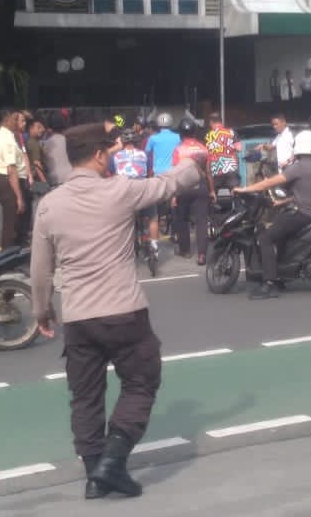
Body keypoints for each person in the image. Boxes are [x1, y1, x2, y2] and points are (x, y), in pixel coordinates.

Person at [30, 123, 206, 500]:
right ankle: (112, 461)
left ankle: (95, 476)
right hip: (124, 311)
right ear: (98, 155)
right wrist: (194, 163)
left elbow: (40, 268)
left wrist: (41, 310)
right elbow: (168, 183)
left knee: (85, 396)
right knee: (141, 381)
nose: (111, 156)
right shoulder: (120, 190)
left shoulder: (49, 205)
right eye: (108, 151)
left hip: (78, 318)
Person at [234, 130, 311, 300]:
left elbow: (271, 182)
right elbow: (306, 193)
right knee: (280, 236)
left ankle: (270, 283)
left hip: (299, 214)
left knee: (265, 238)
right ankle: (281, 275)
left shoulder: (299, 167)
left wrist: (245, 189)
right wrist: (282, 202)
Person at [171, 119, 214, 264]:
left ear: (181, 133)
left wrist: (174, 195)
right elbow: (208, 172)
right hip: (201, 186)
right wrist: (212, 190)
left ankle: (185, 250)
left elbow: (175, 174)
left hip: (184, 187)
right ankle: (202, 255)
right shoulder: (203, 148)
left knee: (182, 219)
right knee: (202, 221)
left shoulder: (178, 150)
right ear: (195, 132)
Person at [112, 129, 160, 257]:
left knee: (124, 220)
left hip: (124, 191)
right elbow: (150, 172)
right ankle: (154, 247)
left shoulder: (115, 156)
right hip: (142, 189)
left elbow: (111, 175)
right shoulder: (144, 155)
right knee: (153, 217)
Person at [0, 109, 28, 248]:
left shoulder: (1, 136)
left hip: (4, 180)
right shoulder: (7, 139)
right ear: (7, 120)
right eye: (14, 119)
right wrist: (19, 197)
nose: (17, 122)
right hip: (8, 182)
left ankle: (11, 252)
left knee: (13, 223)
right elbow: (11, 169)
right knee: (12, 225)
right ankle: (8, 254)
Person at [204, 113, 241, 190]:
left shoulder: (208, 136)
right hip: (231, 170)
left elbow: (207, 155)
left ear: (211, 122)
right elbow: (239, 148)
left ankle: (213, 194)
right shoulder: (231, 132)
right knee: (235, 192)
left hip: (215, 172)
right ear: (221, 122)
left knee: (213, 194)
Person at [41, 119, 74, 187]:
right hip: (70, 174)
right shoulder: (67, 140)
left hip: (55, 179)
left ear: (49, 130)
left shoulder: (44, 144)